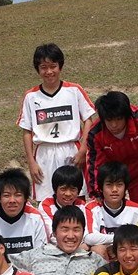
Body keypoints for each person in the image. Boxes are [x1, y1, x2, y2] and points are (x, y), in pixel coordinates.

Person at [18, 43, 96, 202]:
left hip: (71, 151)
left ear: (60, 66)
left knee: (75, 196)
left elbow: (88, 120)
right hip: (44, 153)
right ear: (38, 69)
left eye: (53, 66)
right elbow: (27, 131)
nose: (49, 71)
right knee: (46, 200)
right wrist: (31, 162)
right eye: (44, 67)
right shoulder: (31, 96)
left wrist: (83, 149)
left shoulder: (74, 90)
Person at [84, 91, 138, 212]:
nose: (114, 125)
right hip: (113, 173)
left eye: (119, 119)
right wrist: (96, 192)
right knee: (108, 208)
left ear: (126, 116)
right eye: (109, 120)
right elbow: (94, 164)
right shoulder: (95, 133)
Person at [0, 168, 49, 255]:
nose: (12, 200)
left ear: (26, 198)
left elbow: (42, 255)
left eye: (18, 195)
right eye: (6, 195)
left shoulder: (36, 218)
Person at [83, 161, 138, 261]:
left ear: (125, 187)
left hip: (127, 254)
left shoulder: (136, 210)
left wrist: (117, 247)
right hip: (104, 253)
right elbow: (89, 237)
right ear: (101, 188)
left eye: (119, 184)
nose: (114, 189)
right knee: (97, 249)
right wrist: (118, 240)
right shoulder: (91, 208)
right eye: (109, 185)